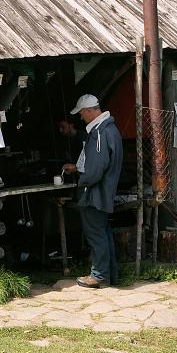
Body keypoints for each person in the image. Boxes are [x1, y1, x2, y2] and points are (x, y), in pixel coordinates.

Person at [61, 94, 123, 288]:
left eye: (81, 113)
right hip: (105, 191)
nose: (80, 118)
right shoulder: (110, 129)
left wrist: (82, 181)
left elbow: (96, 169)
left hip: (95, 193)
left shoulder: (99, 133)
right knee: (103, 233)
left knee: (96, 234)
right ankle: (109, 274)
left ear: (89, 111)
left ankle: (99, 276)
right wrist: (79, 168)